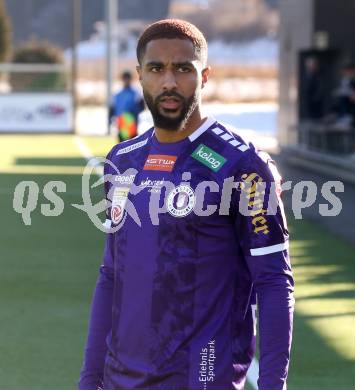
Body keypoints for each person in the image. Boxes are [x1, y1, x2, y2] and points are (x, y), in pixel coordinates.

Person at [78, 19, 294, 390]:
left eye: (183, 69)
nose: (169, 82)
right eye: (156, 68)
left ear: (205, 76)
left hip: (203, 380)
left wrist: (274, 385)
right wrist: (89, 379)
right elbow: (112, 274)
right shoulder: (123, 161)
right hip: (121, 382)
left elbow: (274, 281)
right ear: (140, 75)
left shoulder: (241, 165)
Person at [110, 70, 145, 142]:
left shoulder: (136, 93)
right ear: (122, 80)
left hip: (132, 124)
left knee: (133, 146)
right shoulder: (117, 94)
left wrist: (132, 114)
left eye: (128, 79)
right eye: (125, 79)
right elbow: (113, 109)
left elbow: (142, 107)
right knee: (122, 147)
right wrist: (111, 120)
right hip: (121, 125)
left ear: (130, 80)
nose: (126, 81)